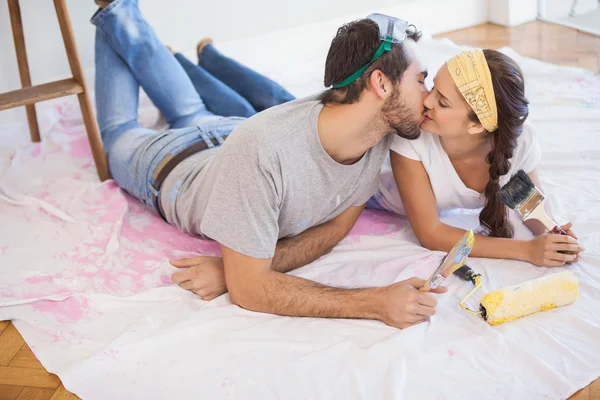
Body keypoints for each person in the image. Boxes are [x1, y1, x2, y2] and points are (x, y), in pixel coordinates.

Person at [91, 0, 442, 330]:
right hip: (170, 165)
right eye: (420, 80)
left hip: (225, 130)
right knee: (119, 132)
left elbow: (335, 228)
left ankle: (121, 18)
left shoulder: (376, 133)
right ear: (380, 83)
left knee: (190, 111)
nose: (427, 96)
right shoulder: (267, 147)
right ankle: (117, 13)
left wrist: (232, 268)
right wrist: (376, 302)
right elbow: (250, 291)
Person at [367, 49, 584, 267]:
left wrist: (552, 234)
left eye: (442, 102)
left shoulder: (517, 142)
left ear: (478, 125)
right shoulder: (412, 136)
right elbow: (430, 233)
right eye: (433, 87)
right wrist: (526, 250)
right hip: (367, 199)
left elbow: (527, 203)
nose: (426, 101)